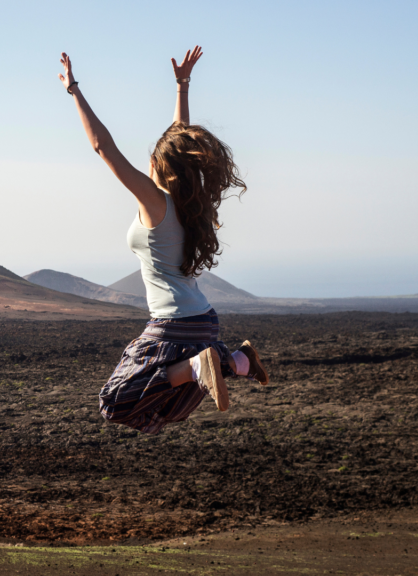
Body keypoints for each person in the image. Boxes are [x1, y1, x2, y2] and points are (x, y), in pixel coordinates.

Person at [58, 46, 269, 435]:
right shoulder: (190, 206)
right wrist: (182, 87)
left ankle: (201, 365)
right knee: (168, 406)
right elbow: (181, 141)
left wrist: (74, 90)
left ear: (160, 165)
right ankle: (237, 360)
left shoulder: (155, 204)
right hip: (203, 323)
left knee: (116, 400)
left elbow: (104, 147)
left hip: (176, 325)